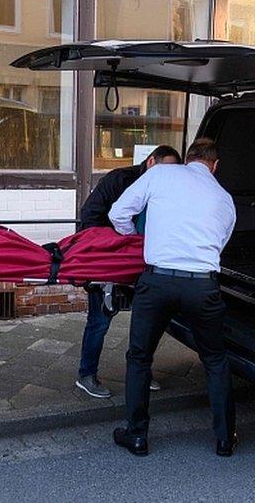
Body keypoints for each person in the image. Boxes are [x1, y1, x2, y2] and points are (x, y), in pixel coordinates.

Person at [108, 140, 238, 457]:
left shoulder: (162, 174)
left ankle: (137, 435)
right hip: (202, 285)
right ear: (214, 165)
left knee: (140, 357)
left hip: (158, 281)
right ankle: (224, 439)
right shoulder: (225, 198)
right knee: (215, 361)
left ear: (188, 157)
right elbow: (219, 246)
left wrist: (138, 241)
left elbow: (118, 213)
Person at [75, 145, 181, 398]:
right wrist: (102, 254)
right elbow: (90, 216)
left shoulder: (169, 189)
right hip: (110, 260)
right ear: (151, 161)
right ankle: (87, 374)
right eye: (165, 169)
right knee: (99, 321)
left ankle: (140, 371)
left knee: (147, 321)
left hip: (147, 263)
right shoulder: (119, 180)